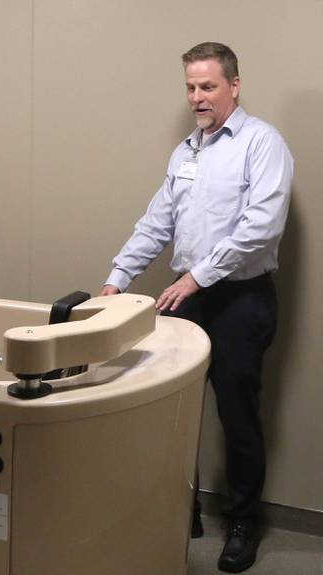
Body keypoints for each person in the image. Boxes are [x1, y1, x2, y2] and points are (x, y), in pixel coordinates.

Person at [100, 42, 292, 573]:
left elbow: (261, 227)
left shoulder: (262, 144)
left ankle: (242, 523)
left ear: (234, 85)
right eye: (190, 87)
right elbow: (157, 223)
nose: (197, 97)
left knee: (238, 416)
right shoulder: (186, 151)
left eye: (207, 86)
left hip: (240, 300)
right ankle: (177, 507)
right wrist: (117, 280)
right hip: (188, 295)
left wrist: (196, 277)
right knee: (169, 407)